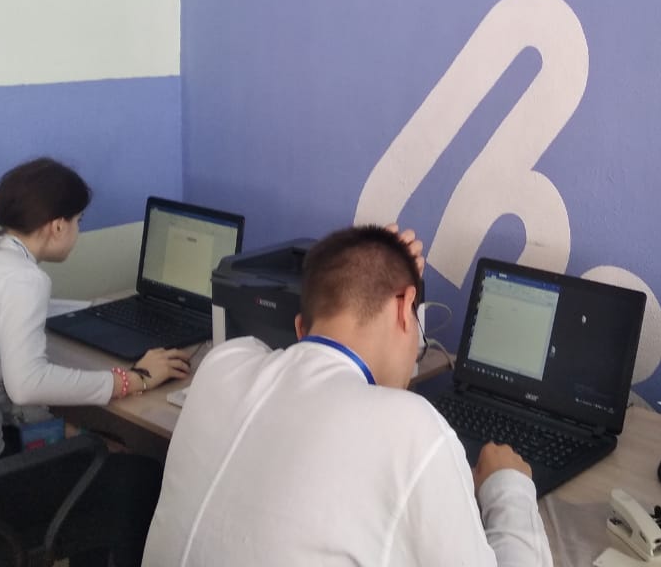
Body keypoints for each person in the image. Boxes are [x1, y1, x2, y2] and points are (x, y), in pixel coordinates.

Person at [142, 224, 554, 567]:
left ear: (300, 329)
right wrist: (509, 488)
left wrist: (374, 271)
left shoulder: (221, 366)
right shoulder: (413, 426)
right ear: (406, 307)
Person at [0, 157, 193, 566]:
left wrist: (69, 429)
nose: (78, 231)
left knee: (94, 447)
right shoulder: (23, 278)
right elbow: (26, 385)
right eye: (78, 221)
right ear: (57, 226)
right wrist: (132, 379)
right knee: (136, 478)